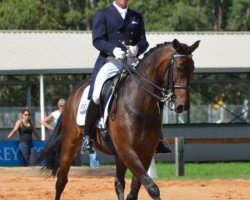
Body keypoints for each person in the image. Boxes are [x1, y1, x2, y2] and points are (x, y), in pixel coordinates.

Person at [81, 0, 171, 154]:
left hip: (132, 61)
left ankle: (158, 138)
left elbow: (143, 41)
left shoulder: (136, 16)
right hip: (110, 61)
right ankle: (87, 137)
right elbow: (97, 40)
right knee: (96, 95)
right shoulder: (102, 14)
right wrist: (113, 49)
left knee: (154, 92)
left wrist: (136, 49)